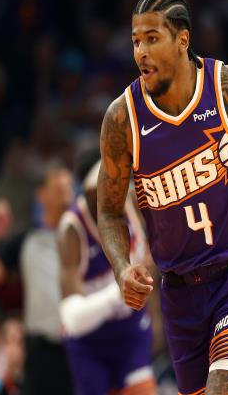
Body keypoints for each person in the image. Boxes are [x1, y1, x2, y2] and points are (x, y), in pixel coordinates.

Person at [97, 0, 228, 394]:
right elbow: (108, 211)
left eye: (152, 38)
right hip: (180, 297)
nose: (141, 52)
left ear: (182, 40)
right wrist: (122, 267)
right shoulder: (123, 119)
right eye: (135, 41)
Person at [0, 162, 74, 395]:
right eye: (57, 182)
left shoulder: (86, 232)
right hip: (43, 352)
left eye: (68, 182)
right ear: (41, 194)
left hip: (84, 343)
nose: (65, 185)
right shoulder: (28, 240)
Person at [57, 151, 156, 394]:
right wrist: (118, 292)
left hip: (130, 333)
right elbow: (72, 319)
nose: (116, 194)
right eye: (109, 187)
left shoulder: (132, 203)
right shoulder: (72, 230)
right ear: (90, 192)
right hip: (90, 345)